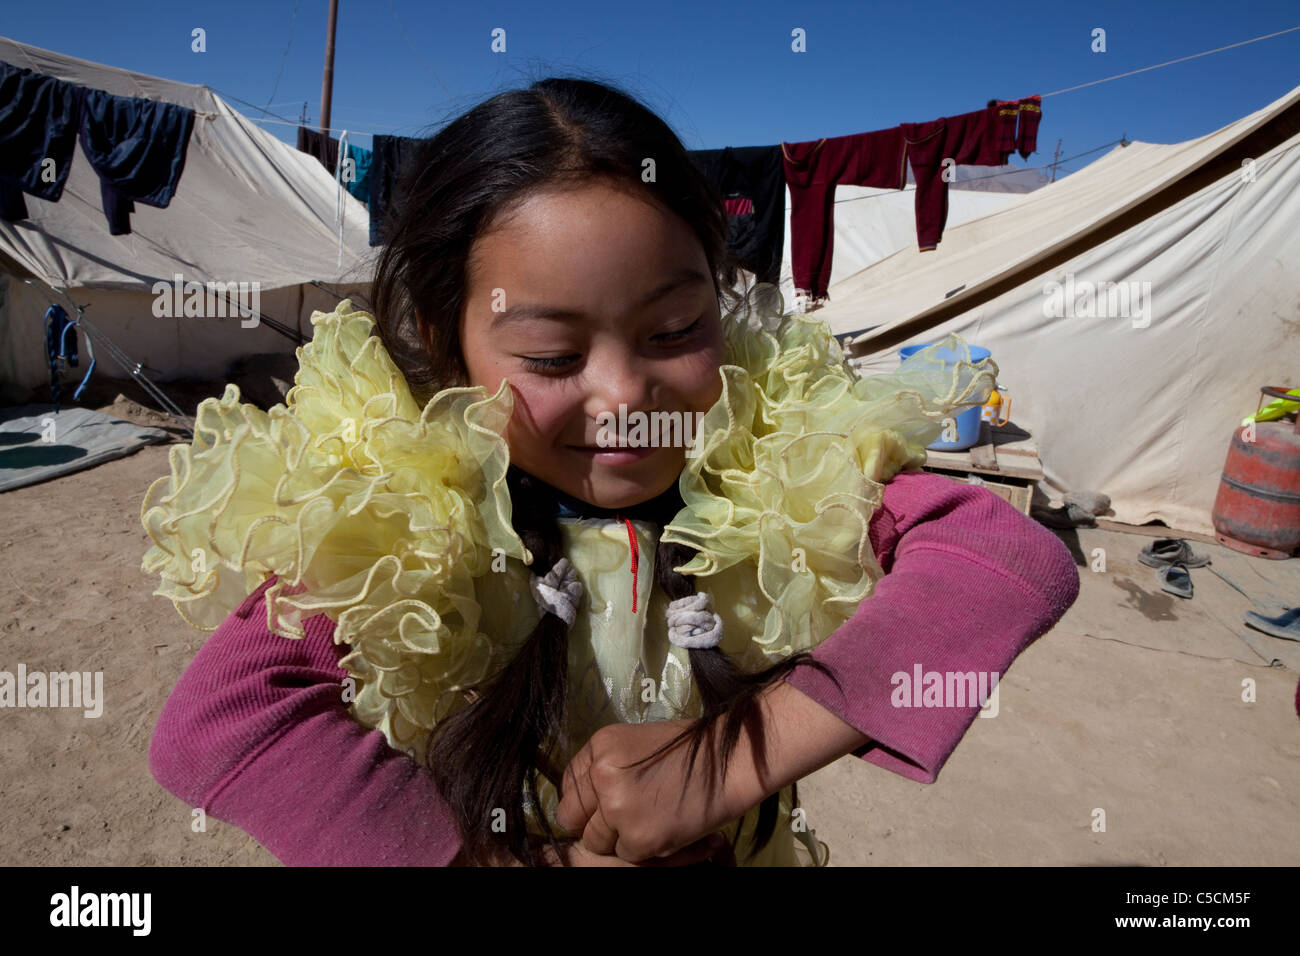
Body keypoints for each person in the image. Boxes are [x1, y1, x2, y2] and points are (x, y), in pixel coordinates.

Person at [141, 75, 1080, 867]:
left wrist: (727, 763)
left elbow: (1012, 563)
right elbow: (220, 720)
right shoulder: (404, 516)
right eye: (552, 356)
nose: (627, 396)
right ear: (446, 344)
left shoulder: (779, 454)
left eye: (675, 332)